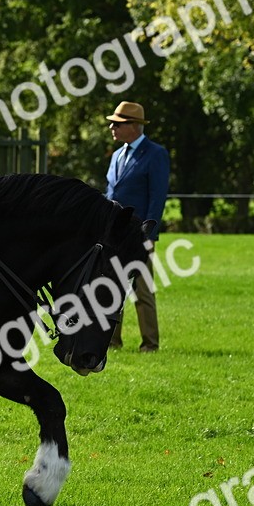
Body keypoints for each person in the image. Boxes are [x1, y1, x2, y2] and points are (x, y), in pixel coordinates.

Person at [104, 101, 169, 352]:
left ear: (134, 126)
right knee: (110, 290)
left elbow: (157, 197)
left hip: (139, 234)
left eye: (117, 124)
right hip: (114, 234)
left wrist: (149, 235)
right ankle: (111, 341)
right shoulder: (117, 155)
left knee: (142, 292)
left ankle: (149, 345)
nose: (112, 127)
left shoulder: (155, 154)